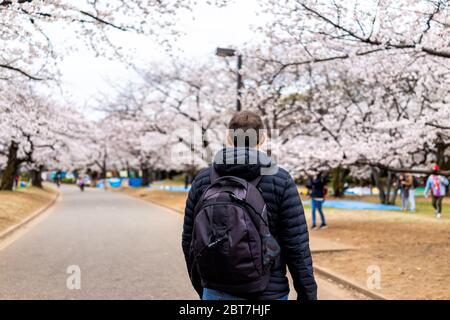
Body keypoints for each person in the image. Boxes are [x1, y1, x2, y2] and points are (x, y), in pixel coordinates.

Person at [182, 111, 317, 301]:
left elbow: (190, 241)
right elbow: (297, 246)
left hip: (216, 290)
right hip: (269, 290)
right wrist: (307, 295)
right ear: (262, 139)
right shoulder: (281, 179)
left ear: (229, 138)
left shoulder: (203, 180)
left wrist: (204, 285)